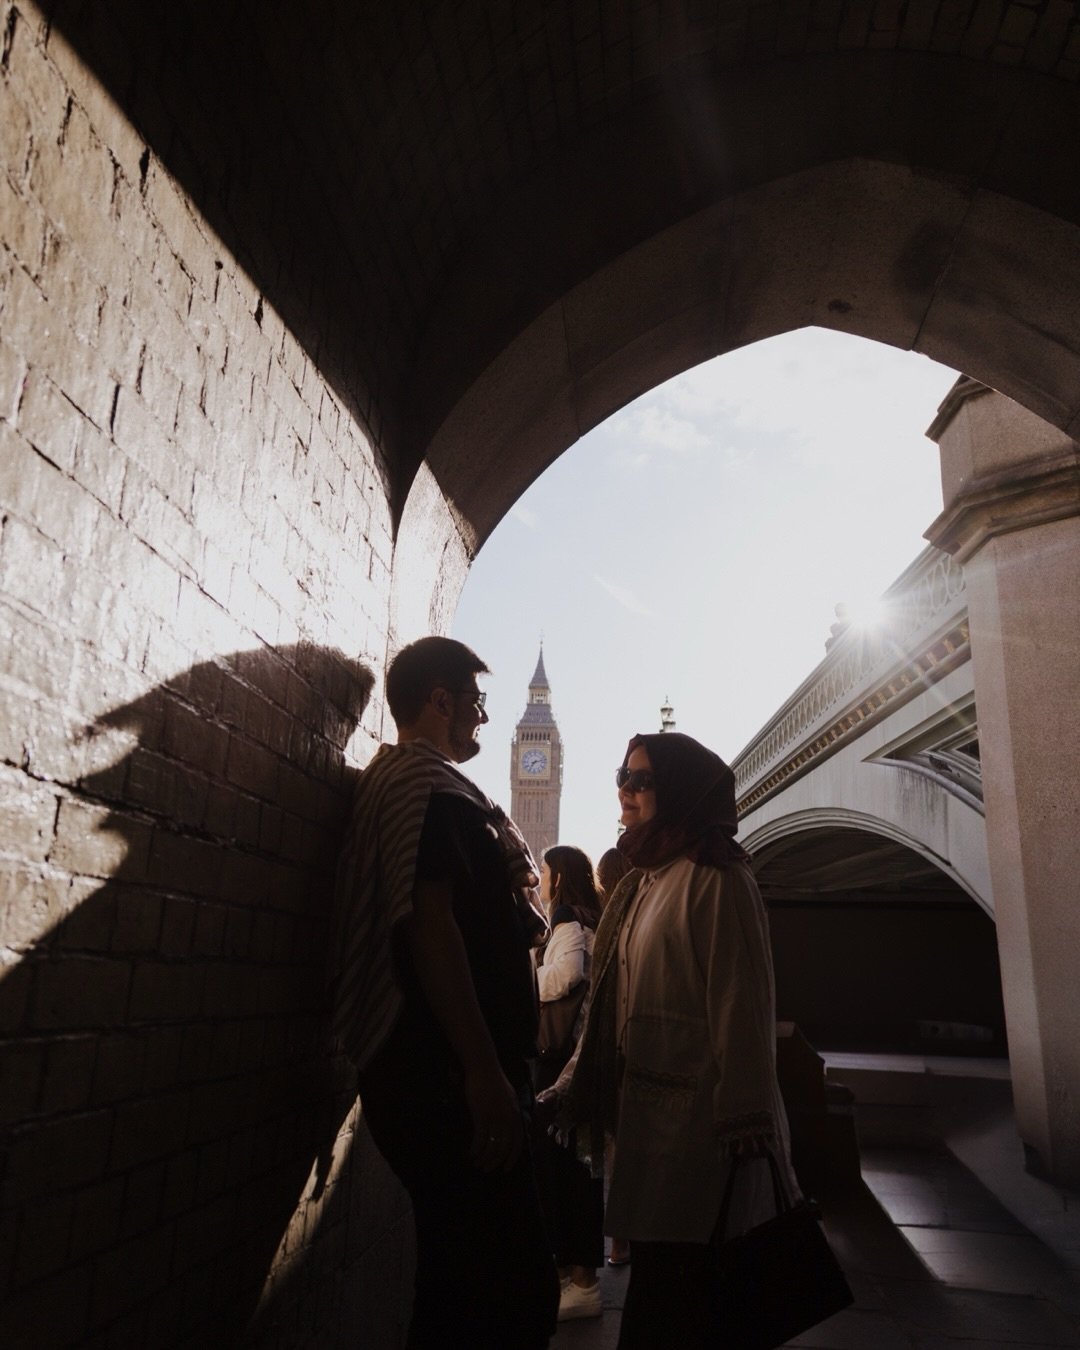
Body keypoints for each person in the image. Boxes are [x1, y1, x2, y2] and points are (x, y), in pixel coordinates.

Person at [330, 637, 560, 1349]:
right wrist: (485, 1073)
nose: (483, 721)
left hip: (443, 1074)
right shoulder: (427, 791)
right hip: (451, 1080)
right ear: (440, 701)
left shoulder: (417, 786)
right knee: (509, 1288)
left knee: (458, 1279)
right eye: (476, 705)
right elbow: (431, 930)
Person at [543, 732, 799, 1349]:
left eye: (641, 780)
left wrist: (746, 1129)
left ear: (680, 790)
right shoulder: (644, 881)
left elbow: (742, 1011)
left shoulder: (718, 878)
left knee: (680, 1311)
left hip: (702, 1145)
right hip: (647, 1133)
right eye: (621, 776)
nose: (624, 791)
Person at [533, 846, 605, 1321]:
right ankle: (571, 1274)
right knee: (574, 1167)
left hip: (561, 1059)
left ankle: (582, 1281)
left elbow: (568, 974)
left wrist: (523, 983)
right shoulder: (591, 916)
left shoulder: (564, 918)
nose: (539, 879)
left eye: (544, 871)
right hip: (581, 1056)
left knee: (564, 1171)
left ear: (558, 877)